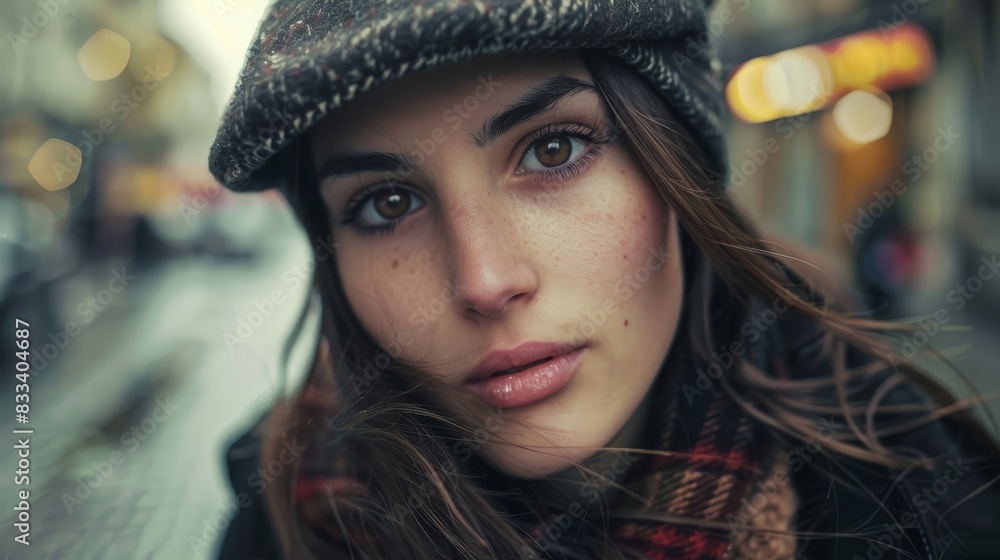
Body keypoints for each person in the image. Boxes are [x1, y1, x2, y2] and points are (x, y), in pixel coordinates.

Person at [207, 1, 1000, 558]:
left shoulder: (932, 503)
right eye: (387, 203)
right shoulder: (281, 526)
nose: (485, 281)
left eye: (553, 151)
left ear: (676, 171)